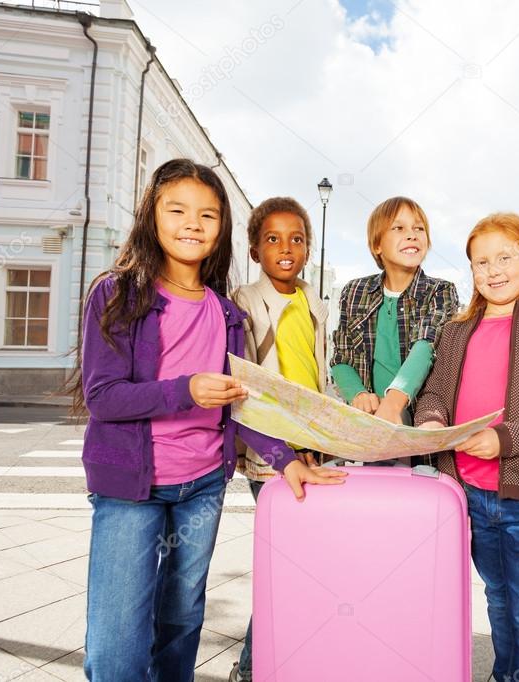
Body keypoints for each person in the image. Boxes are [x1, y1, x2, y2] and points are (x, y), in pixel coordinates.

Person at [73, 159, 343, 681]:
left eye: (208, 215)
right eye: (177, 210)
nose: (192, 223)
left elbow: (240, 404)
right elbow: (104, 397)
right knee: (116, 646)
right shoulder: (118, 293)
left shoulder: (224, 312)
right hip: (132, 488)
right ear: (151, 215)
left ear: (221, 229)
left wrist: (286, 461)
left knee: (180, 621)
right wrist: (186, 390)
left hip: (202, 486)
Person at [415, 212, 519, 682]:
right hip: (468, 494)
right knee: (494, 594)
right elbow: (434, 393)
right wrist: (431, 418)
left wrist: (504, 439)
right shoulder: (456, 331)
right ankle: (504, 673)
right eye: (480, 262)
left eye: (504, 257)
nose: (493, 270)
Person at [229, 196, 332, 682]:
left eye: (296, 239)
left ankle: (293, 662)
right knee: (286, 570)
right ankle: (252, 670)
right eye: (273, 239)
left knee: (308, 568)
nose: (286, 248)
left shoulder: (314, 301)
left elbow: (319, 372)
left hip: (313, 443)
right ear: (255, 250)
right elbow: (244, 387)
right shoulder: (243, 303)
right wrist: (282, 449)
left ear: (308, 248)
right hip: (272, 455)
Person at [330, 196, 458, 463]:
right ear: (377, 245)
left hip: (419, 424)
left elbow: (427, 344)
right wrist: (358, 395)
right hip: (368, 425)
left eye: (419, 228)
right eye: (398, 228)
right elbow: (341, 359)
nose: (412, 235)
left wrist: (393, 403)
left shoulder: (440, 291)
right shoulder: (354, 292)